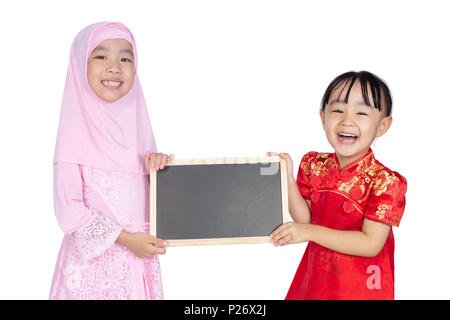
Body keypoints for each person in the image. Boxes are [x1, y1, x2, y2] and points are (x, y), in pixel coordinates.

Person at [49, 21, 172, 299]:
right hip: (91, 274)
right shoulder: (74, 133)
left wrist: (161, 172)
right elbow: (69, 212)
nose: (114, 66)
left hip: (138, 266)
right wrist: (127, 240)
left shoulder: (139, 131)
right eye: (101, 56)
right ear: (81, 64)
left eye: (125, 58)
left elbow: (152, 207)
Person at [269, 71, 407, 299]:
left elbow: (370, 243)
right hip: (318, 279)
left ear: (382, 126)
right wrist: (287, 178)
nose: (347, 120)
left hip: (361, 287)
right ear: (323, 117)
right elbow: (305, 220)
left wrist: (308, 232)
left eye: (361, 113)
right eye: (338, 110)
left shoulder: (385, 181)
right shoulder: (314, 164)